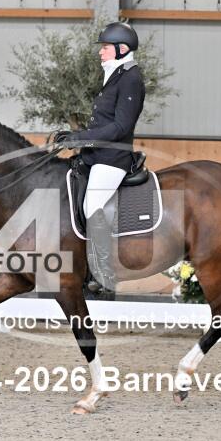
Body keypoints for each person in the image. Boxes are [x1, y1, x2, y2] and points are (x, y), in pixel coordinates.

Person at [54, 21, 146, 293]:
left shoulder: (131, 79)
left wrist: (81, 137)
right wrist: (76, 137)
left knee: (92, 204)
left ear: (121, 49)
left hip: (113, 158)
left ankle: (104, 273)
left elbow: (121, 127)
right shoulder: (115, 75)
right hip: (96, 154)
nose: (100, 52)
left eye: (105, 47)